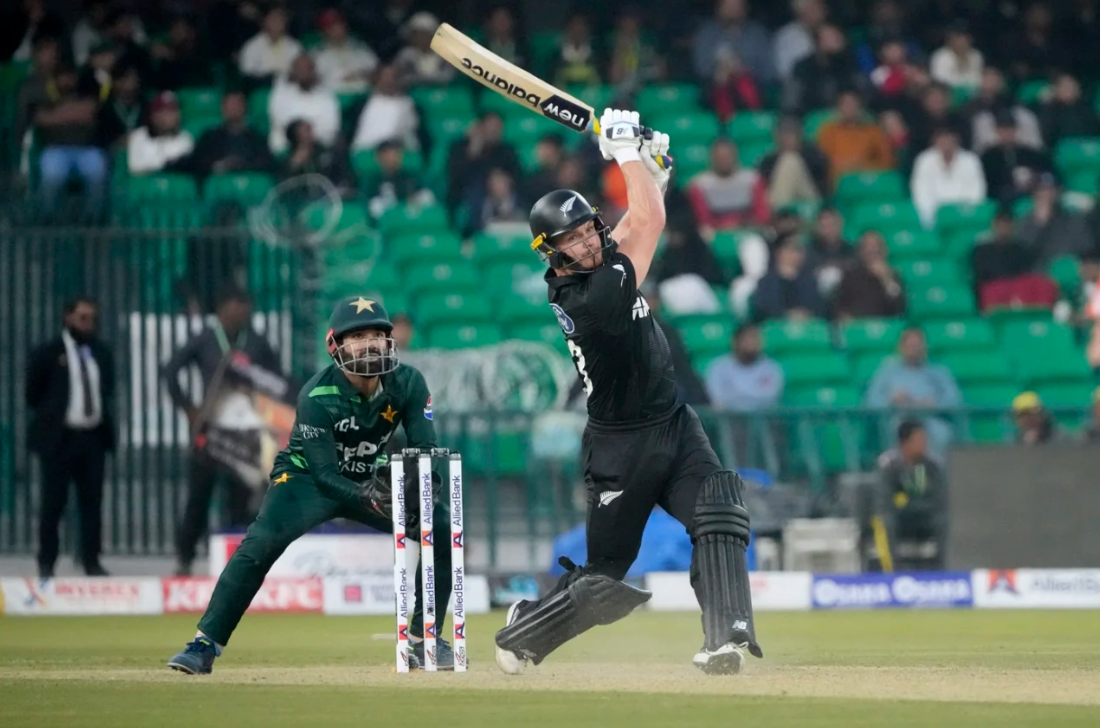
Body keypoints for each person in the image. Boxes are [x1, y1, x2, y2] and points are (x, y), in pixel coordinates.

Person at [494, 109, 762, 677]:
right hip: (619, 448)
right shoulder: (586, 301)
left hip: (673, 422)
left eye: (589, 229)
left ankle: (723, 639)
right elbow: (644, 226)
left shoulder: (604, 260)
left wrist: (647, 171)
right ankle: (525, 629)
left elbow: (644, 222)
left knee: (718, 511)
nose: (587, 244)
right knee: (604, 577)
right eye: (570, 240)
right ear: (553, 253)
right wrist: (627, 157)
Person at [167, 297, 455, 673]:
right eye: (357, 336)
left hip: (371, 474)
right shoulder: (315, 396)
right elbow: (324, 476)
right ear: (335, 347)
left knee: (442, 524)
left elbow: (426, 449)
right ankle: (205, 644)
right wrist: (372, 498)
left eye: (377, 335)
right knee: (260, 543)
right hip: (306, 480)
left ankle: (425, 638)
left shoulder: (409, 382)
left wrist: (424, 486)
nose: (369, 344)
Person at [162, 288, 284, 577]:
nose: (240, 313)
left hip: (245, 434)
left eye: (245, 308)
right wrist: (188, 408)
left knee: (240, 500)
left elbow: (278, 382)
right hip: (211, 432)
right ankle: (185, 559)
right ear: (220, 308)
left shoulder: (256, 343)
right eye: (234, 307)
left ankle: (240, 563)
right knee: (198, 496)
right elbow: (170, 371)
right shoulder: (204, 339)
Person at [26, 296, 114, 578]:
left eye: (92, 319)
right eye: (83, 318)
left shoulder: (100, 352)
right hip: (60, 438)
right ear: (68, 318)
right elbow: (33, 393)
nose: (88, 325)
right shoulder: (49, 352)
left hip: (92, 438)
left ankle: (91, 561)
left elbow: (108, 389)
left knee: (92, 502)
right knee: (53, 503)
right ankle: (46, 562)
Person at [875, 419, 947, 571]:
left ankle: (944, 570)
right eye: (919, 440)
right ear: (904, 443)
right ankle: (892, 571)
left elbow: (939, 498)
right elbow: (885, 500)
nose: (924, 444)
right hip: (899, 516)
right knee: (884, 521)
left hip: (925, 515)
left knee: (944, 519)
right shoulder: (889, 466)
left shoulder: (932, 466)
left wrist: (914, 504)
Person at [705, 324, 784, 411]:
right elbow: (718, 400)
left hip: (762, 419)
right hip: (729, 419)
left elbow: (769, 398)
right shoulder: (718, 367)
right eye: (746, 339)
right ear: (735, 341)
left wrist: (736, 396)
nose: (751, 343)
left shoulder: (772, 368)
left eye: (754, 339)